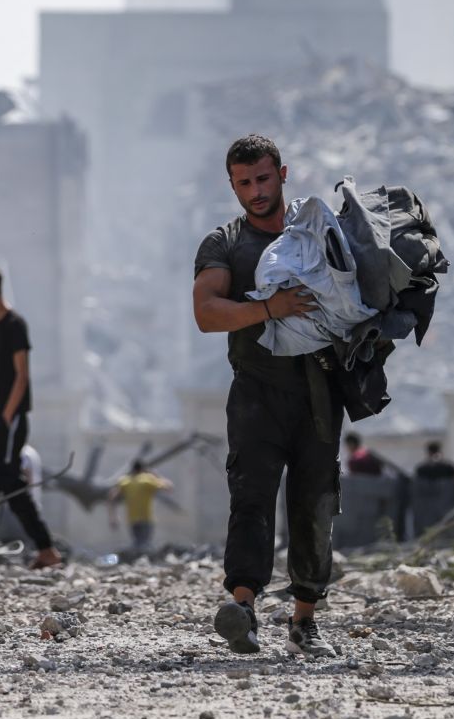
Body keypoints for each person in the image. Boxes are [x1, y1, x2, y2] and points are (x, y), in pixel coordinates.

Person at [193, 134, 339, 657]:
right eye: (244, 183)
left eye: (263, 178)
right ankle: (244, 610)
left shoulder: (317, 233)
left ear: (283, 172)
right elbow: (208, 313)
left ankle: (304, 622)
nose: (256, 191)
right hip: (256, 392)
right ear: (232, 185)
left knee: (314, 506)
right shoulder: (225, 243)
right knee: (250, 501)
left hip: (319, 393)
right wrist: (269, 308)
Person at [0, 263, 62, 570]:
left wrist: (6, 418)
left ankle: (45, 548)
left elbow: (21, 376)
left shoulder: (15, 325)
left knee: (5, 482)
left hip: (10, 421)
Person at [109, 459, 173, 551]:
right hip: (146, 518)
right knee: (145, 545)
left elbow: (112, 497)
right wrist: (156, 475)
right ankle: (142, 562)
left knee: (138, 544)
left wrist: (113, 517)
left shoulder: (125, 481)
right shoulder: (147, 480)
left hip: (132, 520)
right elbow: (169, 487)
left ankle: (138, 561)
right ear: (143, 469)